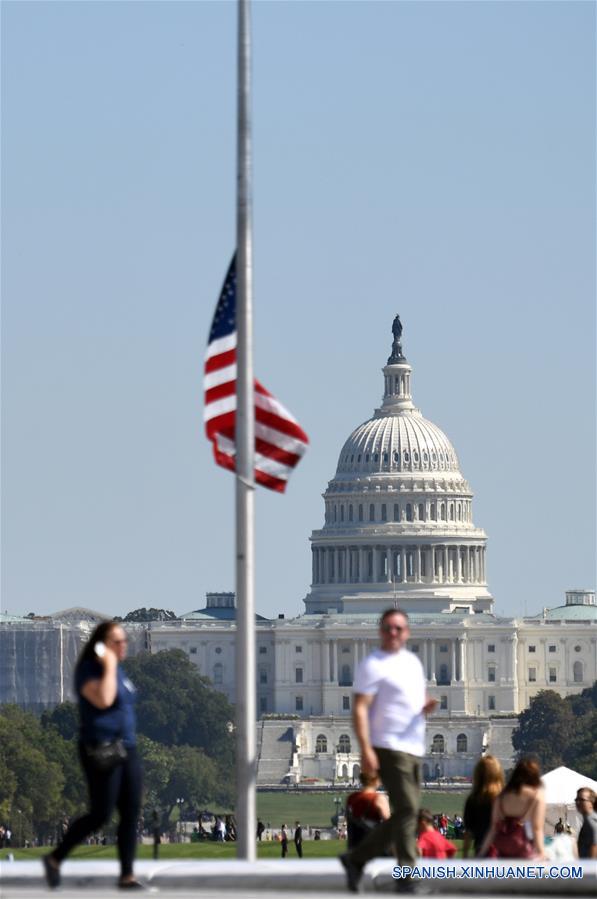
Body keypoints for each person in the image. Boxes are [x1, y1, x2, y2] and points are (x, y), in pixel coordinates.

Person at [339, 608, 438, 893]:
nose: (393, 633)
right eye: (388, 628)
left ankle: (356, 859)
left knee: (408, 811)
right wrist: (366, 748)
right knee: (408, 809)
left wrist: (425, 707)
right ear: (380, 631)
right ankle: (406, 875)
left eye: (399, 628)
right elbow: (360, 708)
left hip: (412, 746)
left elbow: (411, 702)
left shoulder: (412, 663)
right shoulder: (373, 664)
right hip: (387, 745)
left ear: (406, 632)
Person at [42, 621, 142, 890]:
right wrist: (108, 664)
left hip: (127, 746)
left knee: (131, 811)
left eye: (124, 641)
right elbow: (104, 700)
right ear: (102, 645)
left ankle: (127, 875)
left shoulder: (119, 671)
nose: (124, 647)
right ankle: (55, 858)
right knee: (101, 814)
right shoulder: (87, 671)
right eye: (118, 642)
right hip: (100, 747)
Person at [479, 757, 545, 859]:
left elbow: (493, 828)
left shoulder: (502, 796)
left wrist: (482, 852)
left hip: (503, 844)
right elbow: (537, 828)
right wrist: (541, 852)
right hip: (522, 844)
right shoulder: (536, 796)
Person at [462, 755, 505, 858]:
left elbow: (468, 832)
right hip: (503, 851)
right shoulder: (504, 799)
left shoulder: (473, 799)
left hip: (482, 849)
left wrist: (465, 856)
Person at [346, 771, 390, 850]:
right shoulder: (379, 798)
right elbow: (389, 823)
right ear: (376, 781)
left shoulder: (352, 797)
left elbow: (349, 818)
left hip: (355, 843)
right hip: (373, 843)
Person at [575, 788, 597, 858]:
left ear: (592, 803)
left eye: (582, 800)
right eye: (576, 800)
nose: (578, 802)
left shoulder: (592, 822)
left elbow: (595, 846)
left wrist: (589, 868)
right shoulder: (587, 820)